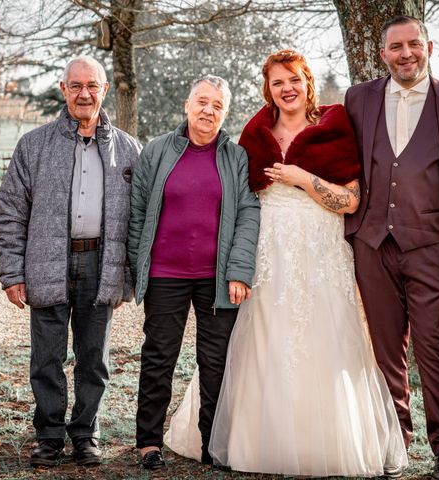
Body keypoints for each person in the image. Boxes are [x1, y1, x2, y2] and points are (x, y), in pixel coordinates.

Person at [164, 49, 408, 478]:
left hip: (321, 251)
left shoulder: (333, 127)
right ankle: (255, 440)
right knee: (262, 338)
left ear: (307, 81)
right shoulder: (255, 133)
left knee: (324, 338)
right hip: (269, 252)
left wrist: (303, 179)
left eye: (293, 79)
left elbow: (350, 200)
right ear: (268, 90)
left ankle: (324, 443)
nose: (287, 89)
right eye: (278, 83)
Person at [0, 56, 140, 467]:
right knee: (46, 358)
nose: (84, 94)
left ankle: (85, 435)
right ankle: (49, 436)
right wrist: (12, 272)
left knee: (94, 359)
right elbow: (10, 212)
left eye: (92, 85)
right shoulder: (34, 145)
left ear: (105, 89)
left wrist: (127, 276)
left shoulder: (129, 149)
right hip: (47, 261)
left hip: (101, 262)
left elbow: (140, 218)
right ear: (63, 90)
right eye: (75, 86)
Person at [344, 16, 439, 480]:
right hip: (372, 242)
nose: (406, 53)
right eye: (396, 47)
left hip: (432, 244)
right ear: (383, 54)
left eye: (414, 44)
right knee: (384, 350)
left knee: (435, 348)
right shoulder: (359, 98)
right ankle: (396, 442)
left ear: (429, 46)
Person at [127, 75, 260, 470]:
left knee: (216, 362)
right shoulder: (156, 151)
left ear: (226, 113)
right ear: (187, 105)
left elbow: (248, 216)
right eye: (202, 102)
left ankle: (213, 445)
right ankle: (148, 443)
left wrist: (239, 271)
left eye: (218, 105)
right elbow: (137, 213)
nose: (208, 110)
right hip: (166, 275)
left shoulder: (236, 157)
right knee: (158, 357)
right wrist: (140, 268)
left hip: (217, 278)